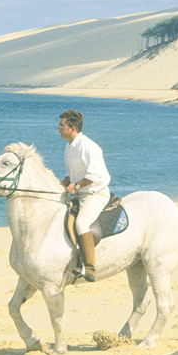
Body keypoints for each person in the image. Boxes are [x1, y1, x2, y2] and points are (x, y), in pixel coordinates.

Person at [58, 110, 111, 282]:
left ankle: (89, 268)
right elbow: (69, 176)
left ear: (72, 128)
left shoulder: (89, 146)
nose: (58, 128)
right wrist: (60, 185)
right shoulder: (68, 146)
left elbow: (94, 176)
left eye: (62, 126)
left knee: (81, 223)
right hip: (79, 193)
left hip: (95, 194)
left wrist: (77, 185)